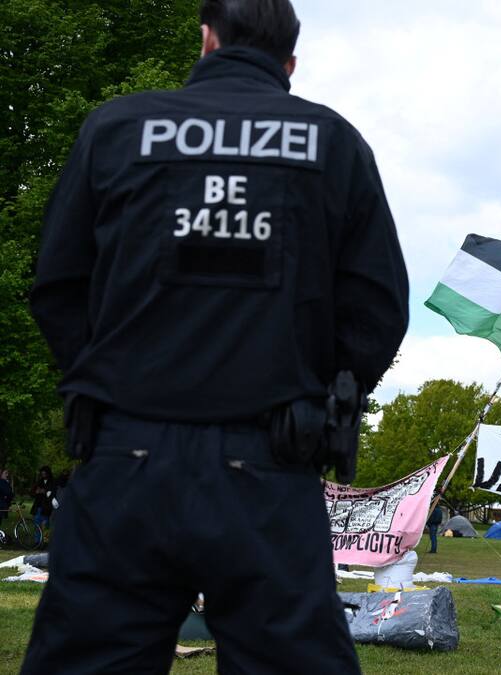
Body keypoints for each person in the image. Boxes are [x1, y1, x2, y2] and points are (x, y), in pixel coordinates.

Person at [23, 1, 408, 672]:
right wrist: (322, 392)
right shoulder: (333, 142)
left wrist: (107, 376)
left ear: (207, 40)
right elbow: (377, 308)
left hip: (123, 461)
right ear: (290, 63)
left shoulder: (116, 129)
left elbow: (57, 282)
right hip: (271, 463)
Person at [29, 466, 56, 535]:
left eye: (45, 473)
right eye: (42, 473)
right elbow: (31, 492)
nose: (43, 475)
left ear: (48, 473)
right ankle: (37, 542)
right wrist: (36, 492)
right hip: (38, 506)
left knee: (45, 525)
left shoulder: (52, 482)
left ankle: (45, 542)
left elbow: (53, 493)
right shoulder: (39, 481)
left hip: (47, 507)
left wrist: (45, 491)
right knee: (37, 525)